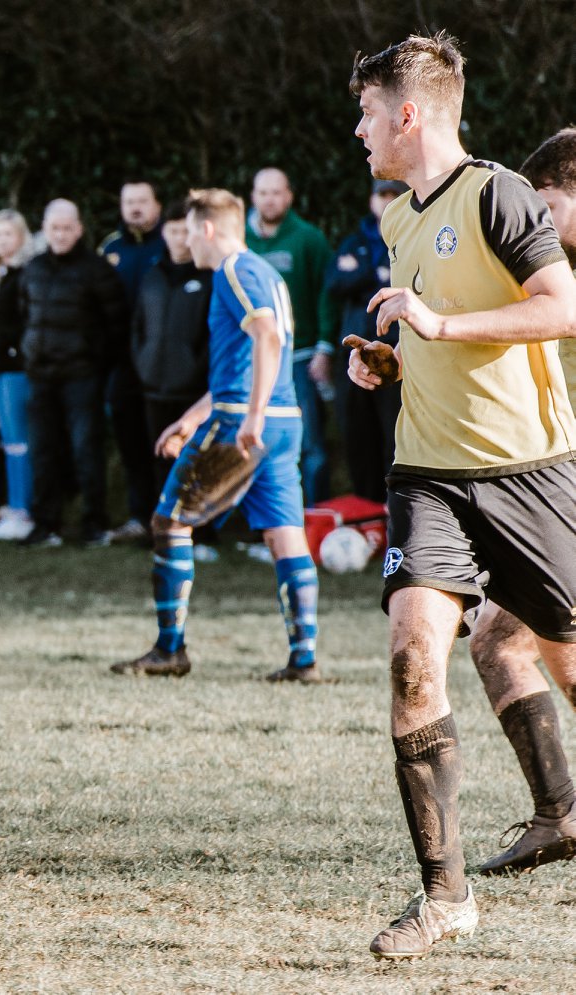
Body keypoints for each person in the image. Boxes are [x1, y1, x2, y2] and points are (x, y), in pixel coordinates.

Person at [345, 33, 576, 960]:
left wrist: (438, 321)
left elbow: (560, 305)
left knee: (562, 659)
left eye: (365, 112)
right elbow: (434, 339)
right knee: (412, 655)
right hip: (427, 476)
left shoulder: (501, 193)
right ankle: (443, 899)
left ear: (407, 113)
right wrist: (394, 359)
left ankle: (558, 811)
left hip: (530, 475)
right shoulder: (398, 216)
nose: (357, 129)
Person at [427, 130, 576, 885]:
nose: (536, 225)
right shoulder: (522, 260)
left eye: (548, 207)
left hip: (559, 482)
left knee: (540, 645)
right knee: (502, 644)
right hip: (544, 479)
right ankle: (557, 814)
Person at [110, 188, 320, 684]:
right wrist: (191, 417)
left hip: (245, 422)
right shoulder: (265, 270)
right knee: (285, 533)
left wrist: (250, 416)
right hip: (284, 420)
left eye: (187, 234)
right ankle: (304, 659)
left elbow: (266, 337)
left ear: (206, 229)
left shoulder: (232, 270)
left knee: (169, 521)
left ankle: (170, 649)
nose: (185, 247)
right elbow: (244, 361)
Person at [3, 199, 127, 547]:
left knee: (86, 450)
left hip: (82, 377)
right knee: (43, 451)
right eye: (53, 228)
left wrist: (95, 361)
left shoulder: (97, 270)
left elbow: (115, 323)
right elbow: (24, 316)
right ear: (44, 229)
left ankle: (94, 522)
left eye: (65, 228)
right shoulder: (34, 268)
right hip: (41, 377)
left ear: (78, 229)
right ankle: (46, 524)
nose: (59, 234)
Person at [246, 167, 335, 504]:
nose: (270, 199)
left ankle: (314, 518)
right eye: (263, 192)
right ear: (253, 196)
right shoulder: (241, 240)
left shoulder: (308, 238)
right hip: (254, 359)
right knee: (260, 439)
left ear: (289, 196)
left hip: (299, 356)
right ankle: (266, 524)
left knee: (309, 442)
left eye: (276, 192)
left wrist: (325, 347)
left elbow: (326, 294)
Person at [325, 179, 408, 503]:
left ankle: (394, 508)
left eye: (393, 194)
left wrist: (359, 274)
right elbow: (334, 283)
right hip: (355, 354)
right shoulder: (353, 240)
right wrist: (375, 273)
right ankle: (366, 509)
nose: (386, 201)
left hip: (397, 355)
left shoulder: (411, 234)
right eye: (381, 194)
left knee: (393, 433)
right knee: (357, 435)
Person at [131, 200, 212, 497]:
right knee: (160, 456)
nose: (180, 238)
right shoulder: (152, 277)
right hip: (154, 386)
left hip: (193, 391)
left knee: (196, 460)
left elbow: (212, 333)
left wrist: (196, 367)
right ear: (164, 232)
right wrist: (144, 363)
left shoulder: (209, 277)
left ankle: (200, 533)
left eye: (184, 231)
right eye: (174, 231)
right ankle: (164, 528)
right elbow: (138, 327)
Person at [100, 180, 166, 540]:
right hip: (122, 363)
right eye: (129, 202)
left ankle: (169, 517)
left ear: (156, 205)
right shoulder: (110, 248)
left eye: (142, 201)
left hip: (162, 362)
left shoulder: (170, 244)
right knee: (130, 443)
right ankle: (139, 516)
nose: (135, 208)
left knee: (163, 441)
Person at [0, 209, 36, 541]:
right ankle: (15, 506)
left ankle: (24, 511)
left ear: (21, 237)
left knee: (20, 442)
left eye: (7, 234)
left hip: (17, 368)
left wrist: (16, 350)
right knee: (9, 440)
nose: (1, 241)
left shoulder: (26, 274)